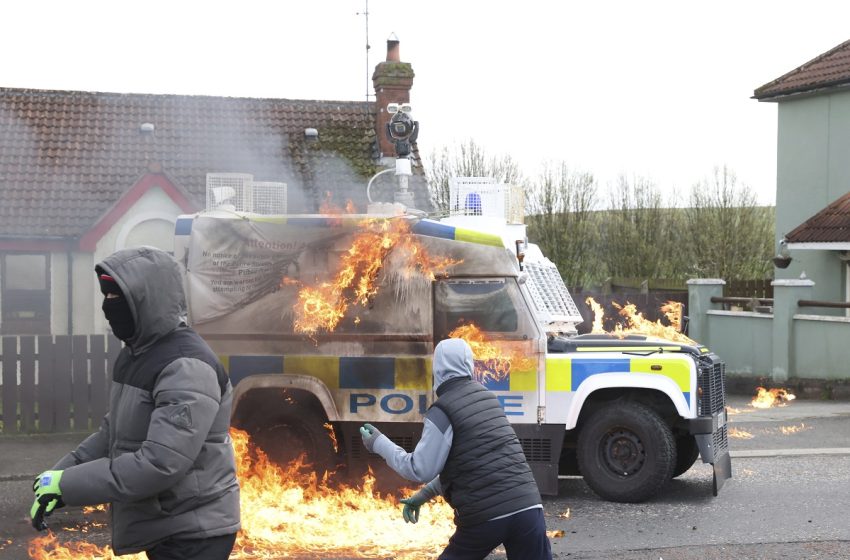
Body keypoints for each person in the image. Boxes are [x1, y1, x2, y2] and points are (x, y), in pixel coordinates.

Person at [29, 246, 241, 559]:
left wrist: (68, 485)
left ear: (147, 299)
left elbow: (159, 463)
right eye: (106, 296)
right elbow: (111, 432)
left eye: (117, 298)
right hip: (167, 525)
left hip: (195, 533)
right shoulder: (138, 354)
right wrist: (56, 477)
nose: (107, 307)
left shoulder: (186, 366)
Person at [360, 338, 552, 560]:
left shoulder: (443, 410)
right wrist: (423, 496)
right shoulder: (489, 400)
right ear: (469, 365)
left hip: (486, 515)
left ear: (437, 369)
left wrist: (378, 443)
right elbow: (469, 467)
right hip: (528, 508)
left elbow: (419, 469)